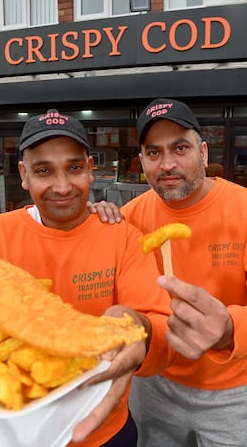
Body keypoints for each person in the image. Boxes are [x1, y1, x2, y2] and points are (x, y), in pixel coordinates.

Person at [0, 108, 175, 447]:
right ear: (24, 174)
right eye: (44, 170)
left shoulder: (122, 236)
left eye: (74, 168)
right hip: (21, 432)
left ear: (91, 170)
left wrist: (137, 326)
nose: (62, 187)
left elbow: (159, 328)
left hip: (108, 430)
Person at [88, 98, 247, 446]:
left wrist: (231, 328)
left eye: (180, 148)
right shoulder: (126, 218)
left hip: (235, 390)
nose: (168, 164)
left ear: (203, 153)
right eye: (154, 152)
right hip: (153, 384)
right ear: (142, 161)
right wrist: (88, 220)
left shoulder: (243, 209)